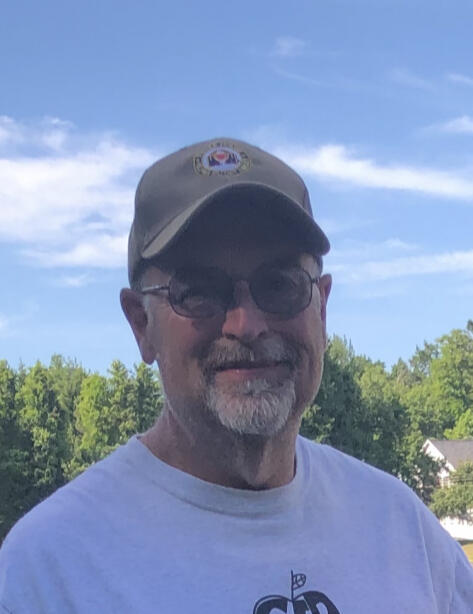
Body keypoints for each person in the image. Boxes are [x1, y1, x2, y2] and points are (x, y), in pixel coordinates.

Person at [1, 138, 472, 613]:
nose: (246, 324)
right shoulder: (47, 572)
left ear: (322, 308)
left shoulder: (404, 533)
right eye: (199, 291)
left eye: (280, 284)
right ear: (141, 324)